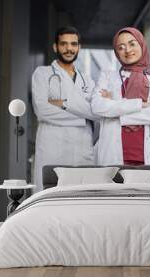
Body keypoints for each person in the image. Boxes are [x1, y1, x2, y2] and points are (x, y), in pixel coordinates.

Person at [91, 27, 150, 166]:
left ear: (141, 44)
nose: (127, 50)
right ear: (117, 52)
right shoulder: (108, 77)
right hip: (113, 153)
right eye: (121, 47)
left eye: (132, 44)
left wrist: (118, 113)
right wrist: (140, 104)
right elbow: (97, 106)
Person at [32, 26, 98, 192]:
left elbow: (96, 111)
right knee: (49, 196)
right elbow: (42, 110)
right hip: (53, 147)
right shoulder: (42, 74)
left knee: (81, 198)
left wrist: (63, 103)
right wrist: (83, 116)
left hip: (83, 148)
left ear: (79, 47)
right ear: (56, 47)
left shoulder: (87, 80)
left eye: (73, 44)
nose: (69, 48)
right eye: (64, 44)